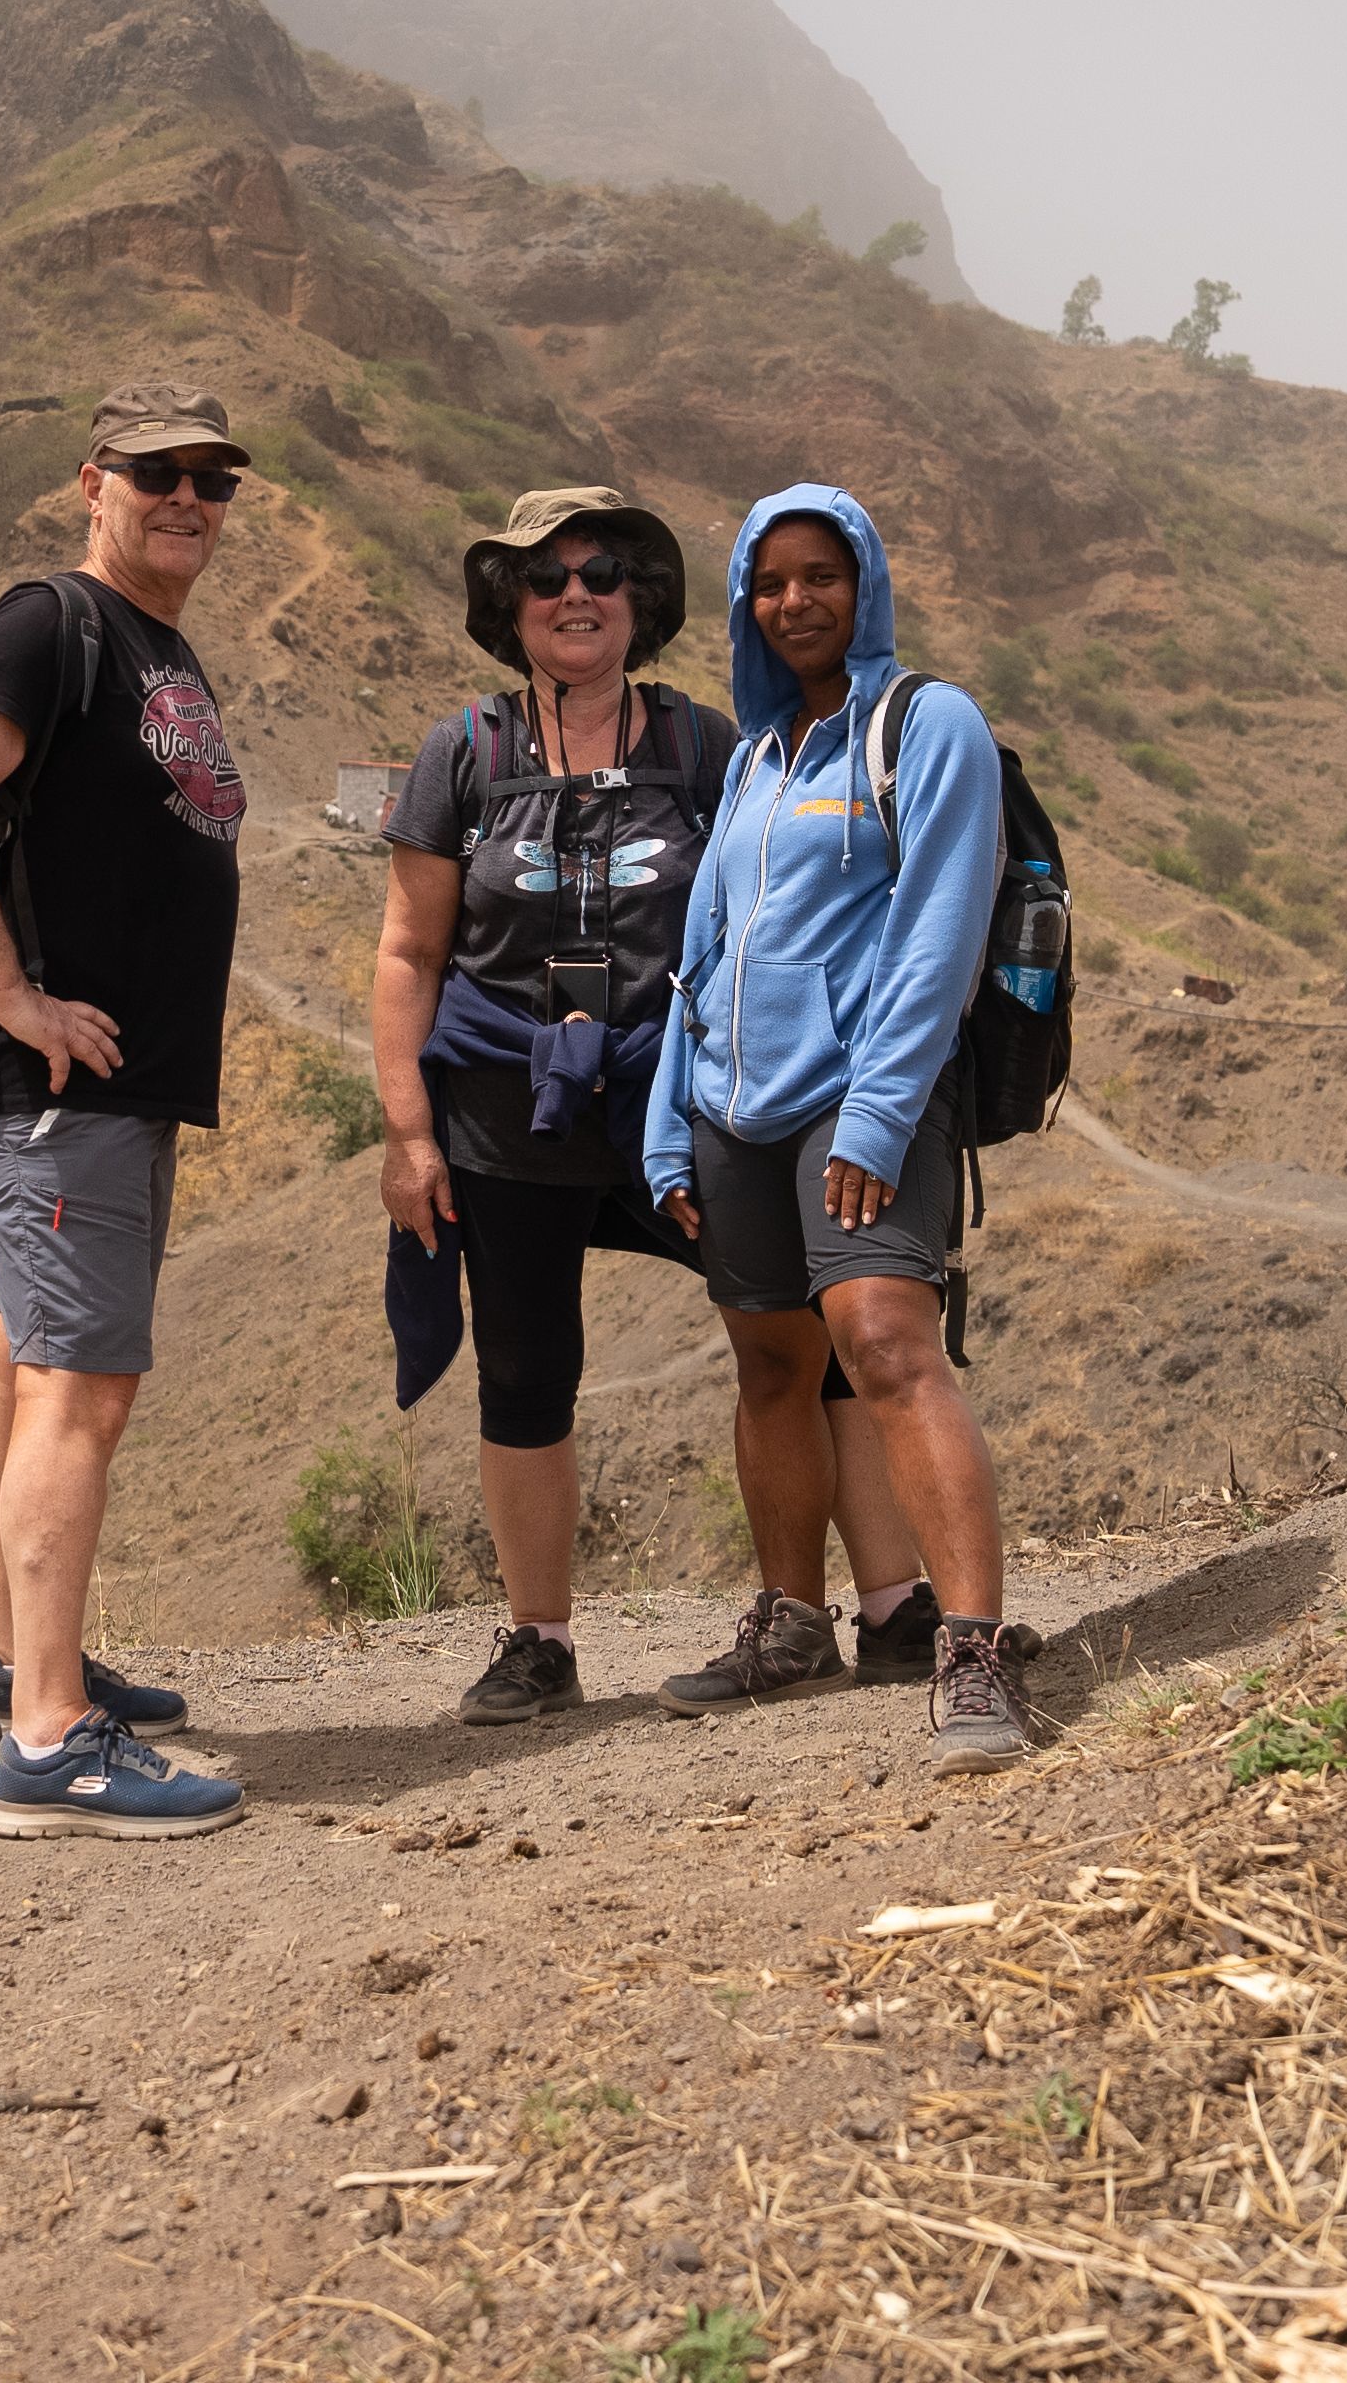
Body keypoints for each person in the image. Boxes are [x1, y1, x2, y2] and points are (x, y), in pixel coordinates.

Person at [371, 493, 938, 1726]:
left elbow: (761, 915)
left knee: (803, 1338)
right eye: (546, 578)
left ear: (643, 603)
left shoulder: (705, 745)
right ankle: (539, 1643)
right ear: (507, 607)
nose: (576, 595)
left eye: (604, 574)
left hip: (683, 1096)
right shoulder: (459, 751)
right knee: (524, 1369)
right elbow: (410, 955)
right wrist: (409, 1134)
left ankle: (891, 1608)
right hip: (499, 1104)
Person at [0, 380, 253, 1839]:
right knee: (80, 1389)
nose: (188, 498)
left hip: (112, 1087)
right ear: (92, 479)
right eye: (158, 471)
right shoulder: (50, 622)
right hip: (59, 1090)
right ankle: (47, 1743)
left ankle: (9, 1662)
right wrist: (13, 997)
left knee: (29, 1366)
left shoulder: (151, 642)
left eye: (213, 481)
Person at [645, 487, 1036, 1774]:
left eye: (821, 575)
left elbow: (940, 933)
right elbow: (700, 957)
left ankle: (970, 1647)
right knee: (768, 1369)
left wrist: (876, 1113)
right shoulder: (758, 759)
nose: (796, 601)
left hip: (860, 1100)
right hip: (729, 1115)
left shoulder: (927, 725)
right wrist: (665, 1124)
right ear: (746, 603)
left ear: (863, 583)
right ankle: (790, 1621)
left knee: (884, 1346)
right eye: (771, 582)